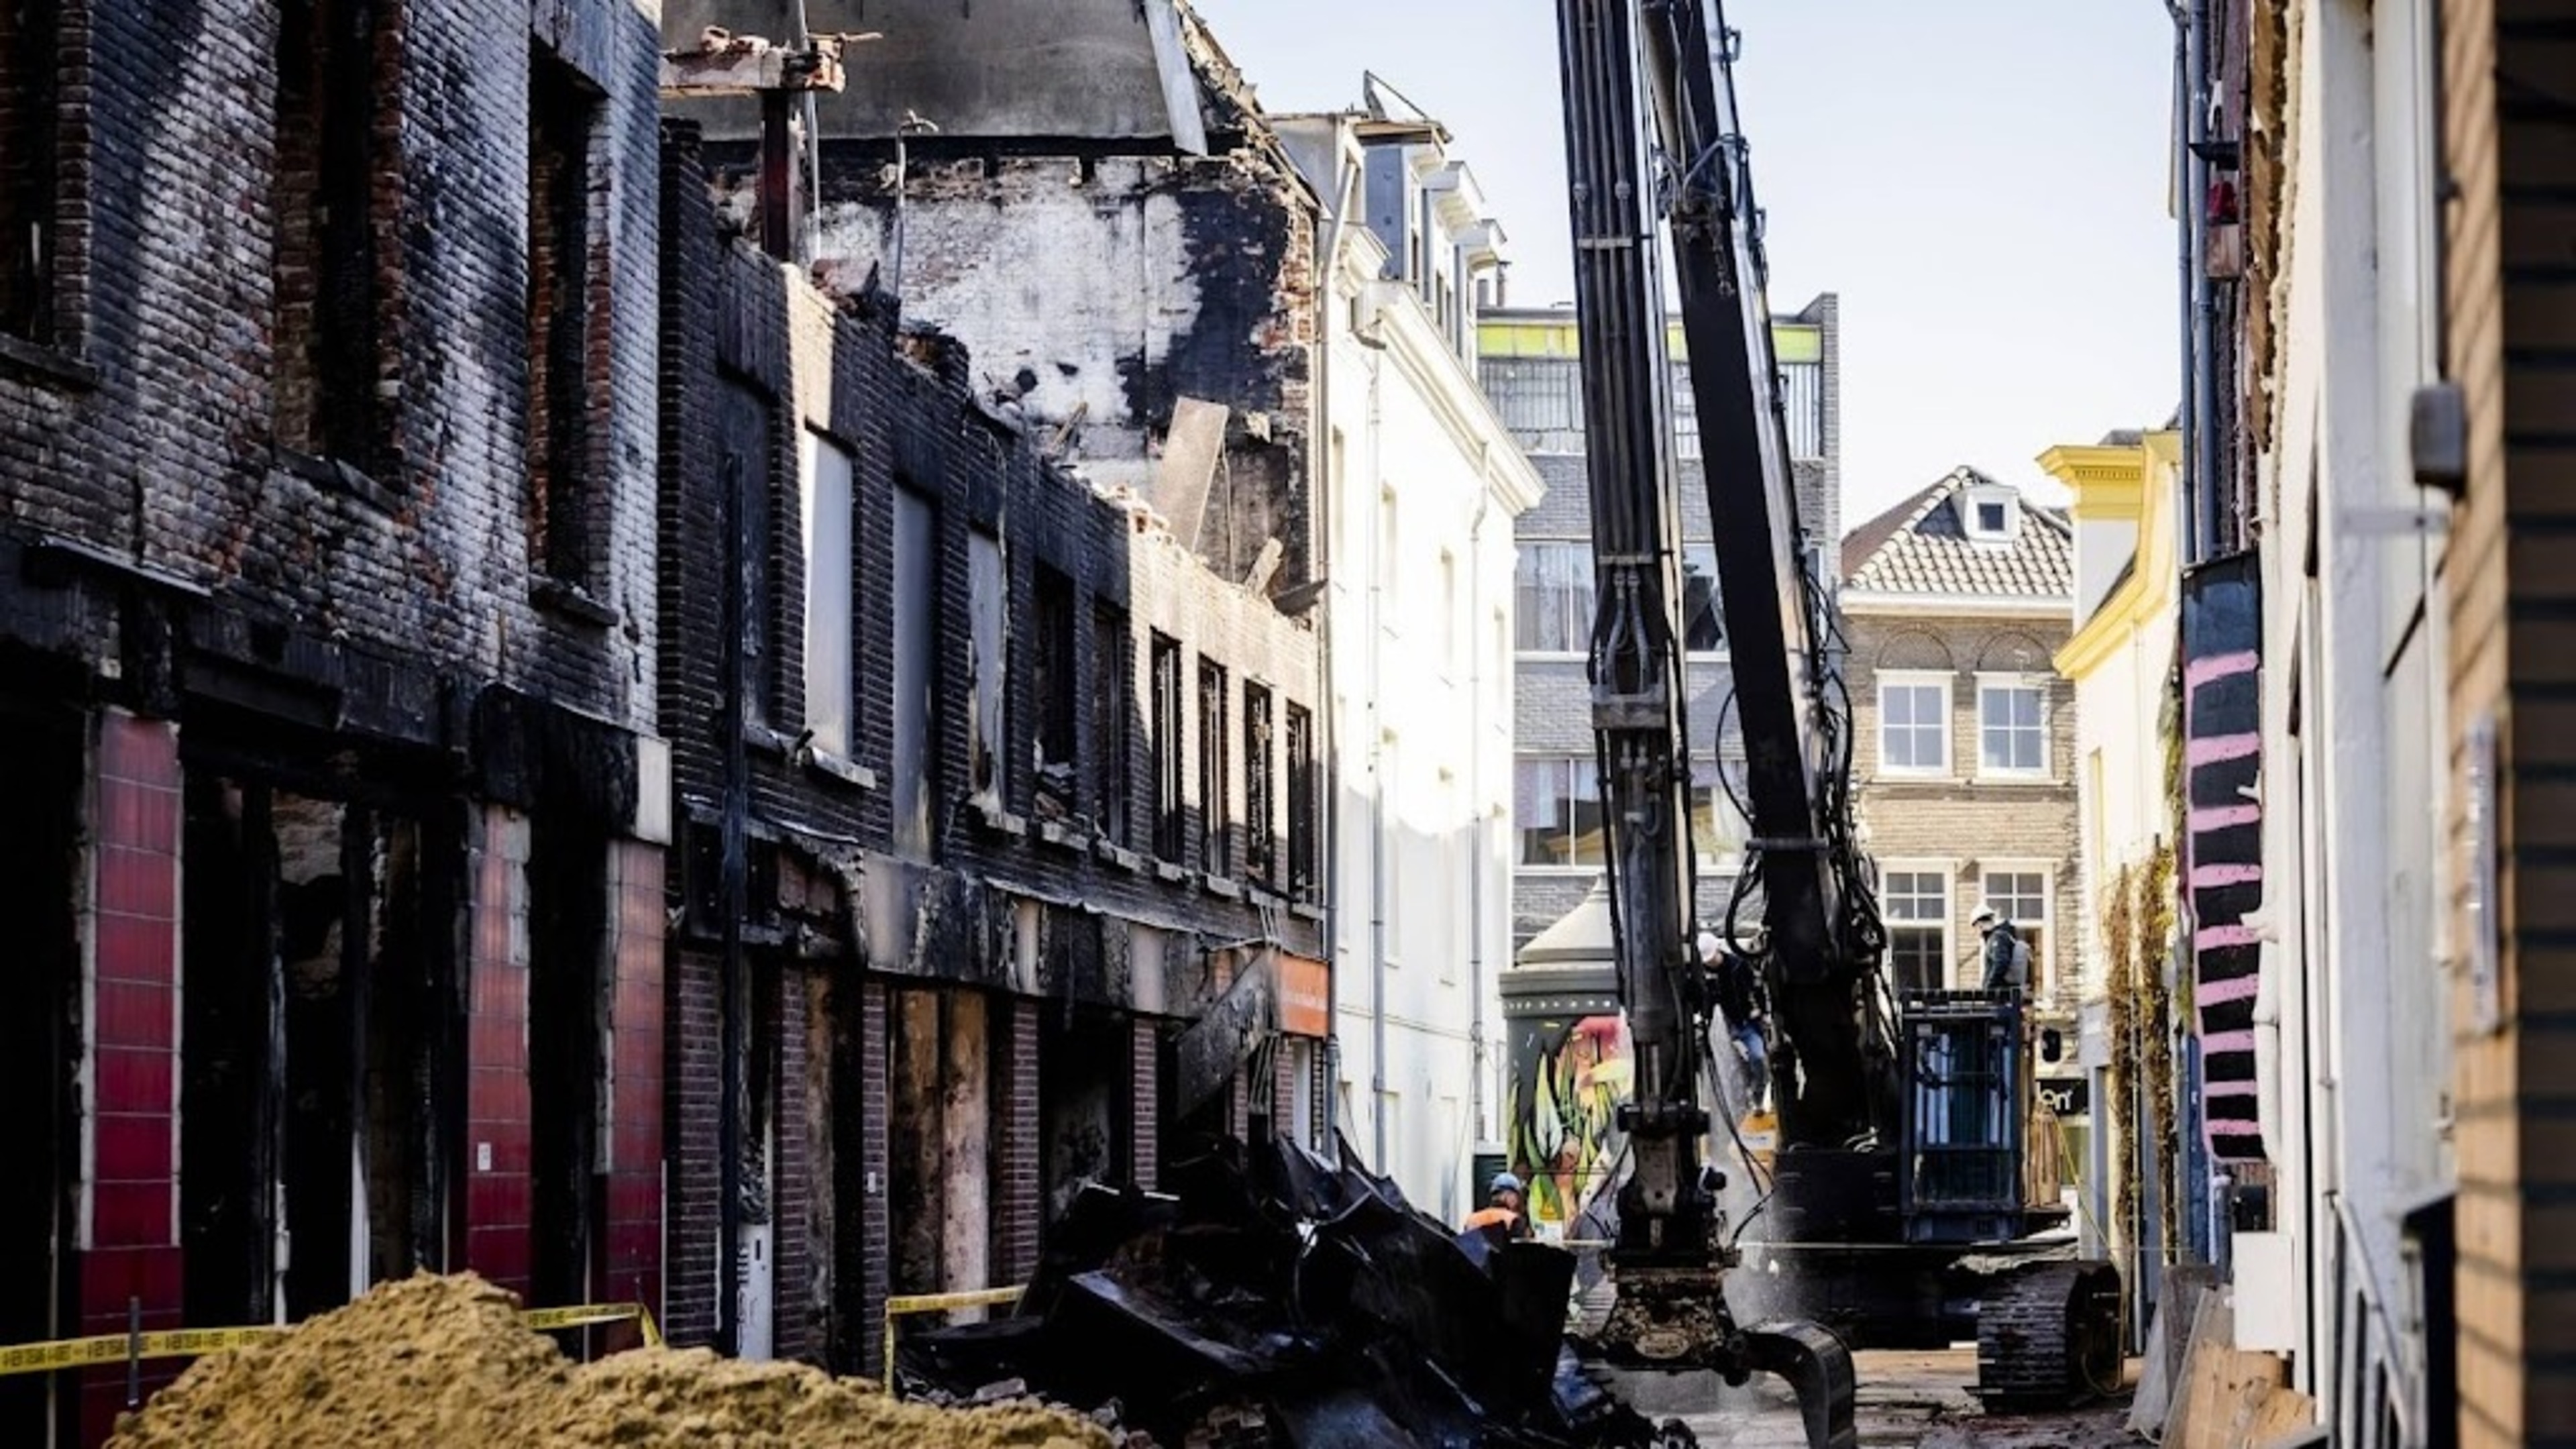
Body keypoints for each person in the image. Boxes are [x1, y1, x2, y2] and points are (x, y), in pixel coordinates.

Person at [1463, 1171, 1534, 1241]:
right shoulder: (1513, 1220)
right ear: (1508, 1195)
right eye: (1517, 1196)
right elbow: (1522, 1249)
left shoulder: (1472, 1219)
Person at [1975, 908, 2031, 993]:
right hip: (2004, 993)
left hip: (2000, 994)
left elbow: (2001, 963)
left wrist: (1989, 988)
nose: (1977, 931)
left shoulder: (1998, 937)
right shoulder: (2003, 936)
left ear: (1980, 924)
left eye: (1976, 926)